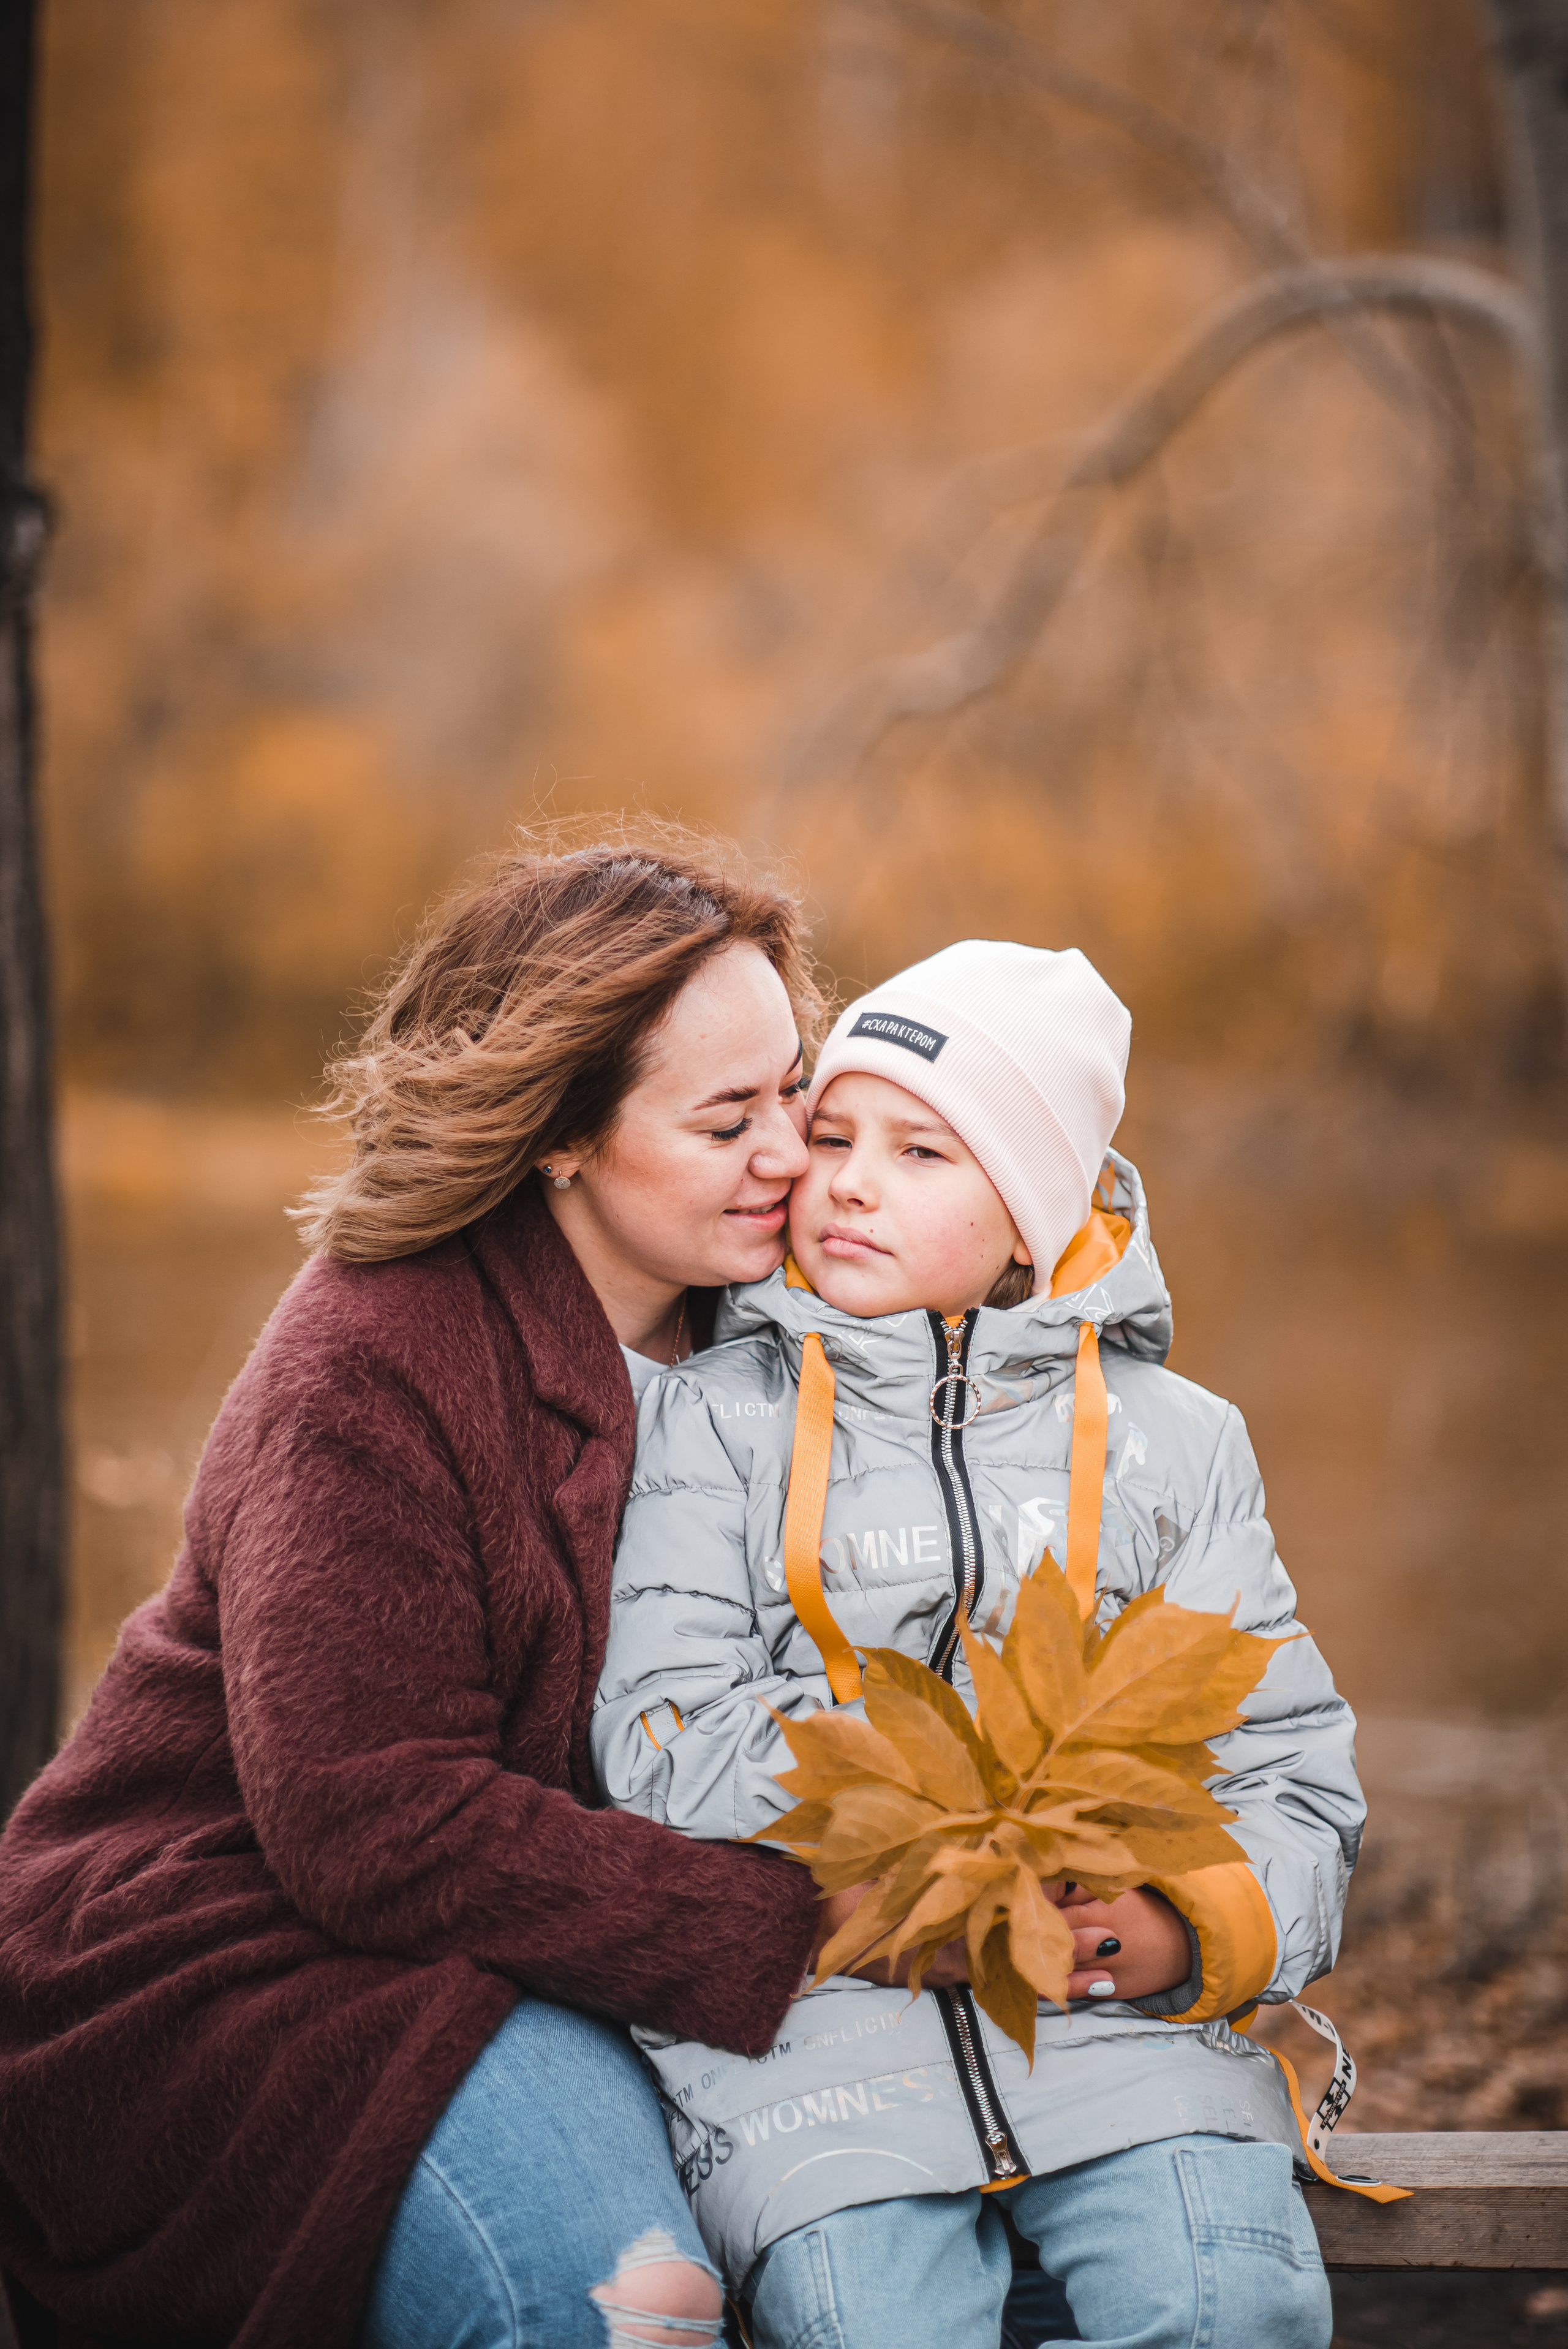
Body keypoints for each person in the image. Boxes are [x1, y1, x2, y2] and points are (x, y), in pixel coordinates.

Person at [0, 833, 842, 2349]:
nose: (790, 1150)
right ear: (561, 1137)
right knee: (623, 2315)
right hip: (261, 1956)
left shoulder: (796, 1329)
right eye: (728, 1118)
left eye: (795, 1087)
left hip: (571, 1934)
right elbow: (373, 1820)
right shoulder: (375, 1355)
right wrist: (805, 1922)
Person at [594, 939, 1363, 2349]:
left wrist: (1178, 1930)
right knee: (866, 2323)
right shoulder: (709, 1422)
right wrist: (932, 1806)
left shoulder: (1175, 1447)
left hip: (1118, 2035)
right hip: (815, 2025)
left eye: (922, 1151)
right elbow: (656, 1738)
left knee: (1227, 2304)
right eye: (829, 1134)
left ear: (1030, 1215)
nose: (846, 1180)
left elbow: (1291, 1769)